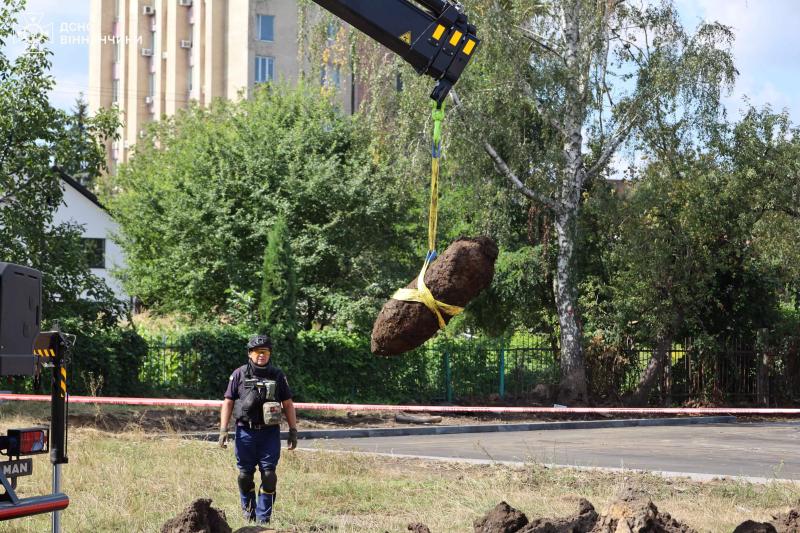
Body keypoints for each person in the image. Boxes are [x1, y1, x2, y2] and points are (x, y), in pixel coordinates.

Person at [218, 334, 298, 525]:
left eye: (266, 352)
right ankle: (249, 512)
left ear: (269, 354)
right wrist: (223, 430)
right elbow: (228, 402)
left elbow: (287, 404)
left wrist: (293, 431)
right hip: (245, 431)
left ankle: (263, 519)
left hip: (269, 433)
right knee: (245, 475)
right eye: (257, 351)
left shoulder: (278, 375)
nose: (261, 355)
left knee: (269, 475)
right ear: (250, 353)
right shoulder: (238, 374)